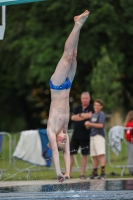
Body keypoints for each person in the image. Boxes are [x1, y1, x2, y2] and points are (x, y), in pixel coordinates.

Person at [47, 10, 90, 183]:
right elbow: (65, 152)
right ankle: (78, 26)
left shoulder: (51, 130)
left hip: (57, 85)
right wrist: (67, 174)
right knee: (73, 57)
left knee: (66, 57)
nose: (65, 141)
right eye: (65, 142)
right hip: (68, 86)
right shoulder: (64, 130)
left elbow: (57, 153)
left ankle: (77, 24)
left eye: (61, 142)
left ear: (54, 142)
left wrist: (58, 173)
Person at [70, 92, 94, 179]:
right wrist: (84, 116)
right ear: (81, 99)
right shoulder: (77, 108)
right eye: (83, 98)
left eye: (86, 98)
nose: (85, 100)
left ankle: (82, 173)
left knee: (84, 154)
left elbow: (91, 117)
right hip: (75, 135)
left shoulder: (92, 108)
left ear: (89, 99)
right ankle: (69, 173)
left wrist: (79, 116)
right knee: (70, 153)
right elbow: (73, 118)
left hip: (86, 135)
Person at [85, 99, 106, 179]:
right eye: (95, 105)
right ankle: (95, 172)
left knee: (100, 154)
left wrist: (89, 123)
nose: (96, 107)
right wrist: (87, 124)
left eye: (98, 105)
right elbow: (89, 126)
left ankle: (103, 173)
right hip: (92, 136)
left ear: (101, 106)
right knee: (94, 155)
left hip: (99, 136)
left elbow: (101, 125)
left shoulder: (101, 114)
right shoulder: (93, 115)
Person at [124, 110, 133, 175]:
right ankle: (131, 170)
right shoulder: (130, 124)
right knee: (131, 156)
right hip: (130, 142)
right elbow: (128, 135)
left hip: (129, 142)